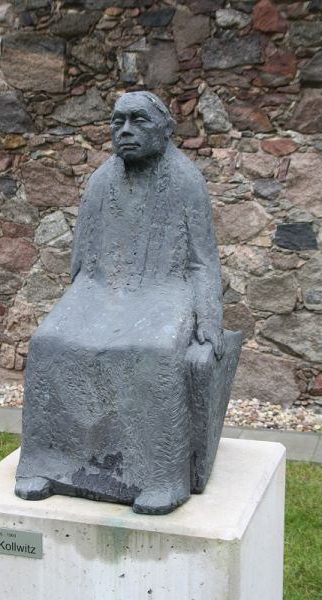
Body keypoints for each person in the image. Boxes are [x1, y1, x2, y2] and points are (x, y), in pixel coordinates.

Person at [15, 91, 241, 515]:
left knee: (155, 352)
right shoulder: (101, 181)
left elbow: (202, 261)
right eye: (118, 122)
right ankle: (47, 464)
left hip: (167, 291)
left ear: (165, 129)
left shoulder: (186, 181)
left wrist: (209, 319)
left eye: (138, 121)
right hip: (100, 290)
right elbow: (81, 261)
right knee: (49, 342)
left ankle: (161, 479)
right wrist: (77, 309)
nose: (126, 130)